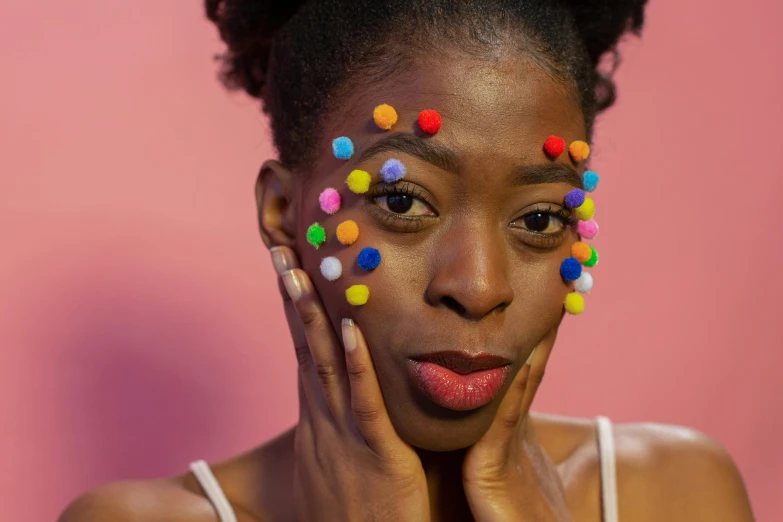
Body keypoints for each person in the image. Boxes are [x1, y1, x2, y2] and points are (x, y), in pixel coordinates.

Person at [59, 1, 755, 520]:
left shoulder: (672, 491)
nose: (477, 287)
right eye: (400, 202)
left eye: (540, 219)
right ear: (282, 214)